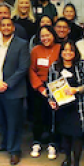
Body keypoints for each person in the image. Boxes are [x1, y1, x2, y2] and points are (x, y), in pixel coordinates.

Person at [0, 18, 30, 165]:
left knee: (14, 122)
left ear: (13, 28)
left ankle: (15, 150)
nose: (5, 28)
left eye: (8, 25)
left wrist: (7, 84)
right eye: (2, 25)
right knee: (2, 120)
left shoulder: (22, 44)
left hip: (13, 90)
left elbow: (23, 68)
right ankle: (5, 144)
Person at [47, 39, 84, 166]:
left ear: (75, 52)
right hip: (62, 107)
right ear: (61, 52)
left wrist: (77, 89)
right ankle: (67, 159)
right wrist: (51, 100)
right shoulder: (55, 66)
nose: (68, 52)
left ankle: (76, 162)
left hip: (78, 107)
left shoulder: (82, 65)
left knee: (77, 136)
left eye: (71, 50)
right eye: (65, 50)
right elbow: (50, 87)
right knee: (65, 135)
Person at [28, 26, 60, 160]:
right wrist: (40, 88)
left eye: (48, 35)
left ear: (53, 35)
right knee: (38, 116)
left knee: (54, 117)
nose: (45, 38)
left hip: (56, 87)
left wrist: (56, 88)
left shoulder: (60, 48)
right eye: (42, 36)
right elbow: (31, 69)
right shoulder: (36, 50)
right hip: (40, 88)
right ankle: (36, 142)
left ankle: (53, 144)